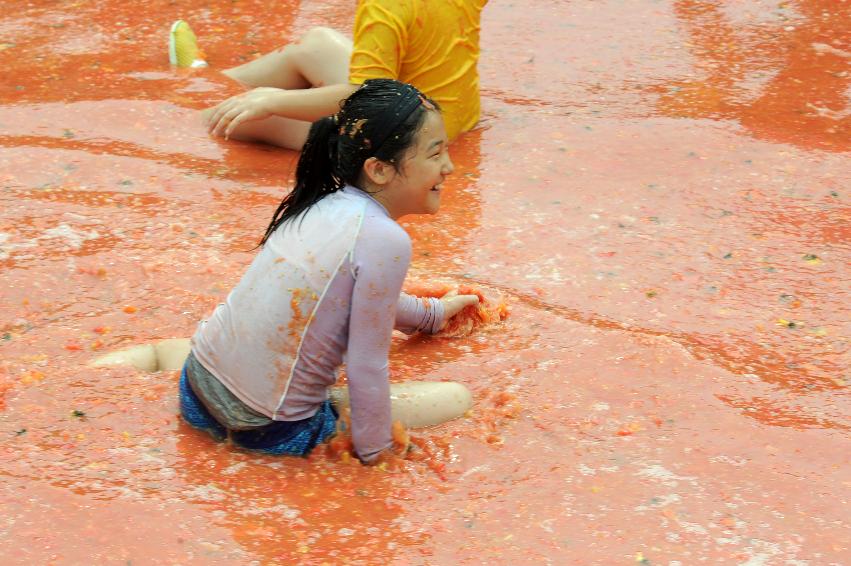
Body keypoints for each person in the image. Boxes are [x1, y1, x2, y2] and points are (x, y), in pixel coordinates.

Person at [177, 79, 480, 463]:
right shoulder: (385, 238)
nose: (449, 167)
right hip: (265, 430)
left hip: (194, 391)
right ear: (380, 170)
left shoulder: (319, 200)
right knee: (457, 398)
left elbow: (347, 298)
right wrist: (376, 454)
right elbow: (366, 364)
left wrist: (429, 315)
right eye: (436, 154)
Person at [169, 0, 488, 149]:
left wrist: (274, 102)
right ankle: (199, 78)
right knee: (316, 43)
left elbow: (366, 98)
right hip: (450, 116)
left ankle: (176, 109)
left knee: (234, 116)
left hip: (398, 142)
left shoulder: (384, 7)